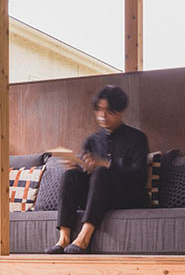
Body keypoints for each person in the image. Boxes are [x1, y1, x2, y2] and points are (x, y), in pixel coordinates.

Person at [46, 85, 149, 254]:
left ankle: (84, 238)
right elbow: (86, 174)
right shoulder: (92, 140)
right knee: (71, 175)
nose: (102, 116)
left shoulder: (137, 138)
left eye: (109, 111)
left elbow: (139, 176)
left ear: (120, 111)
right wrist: (79, 167)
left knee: (101, 173)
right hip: (97, 197)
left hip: (127, 196)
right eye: (99, 110)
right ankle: (63, 239)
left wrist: (106, 165)